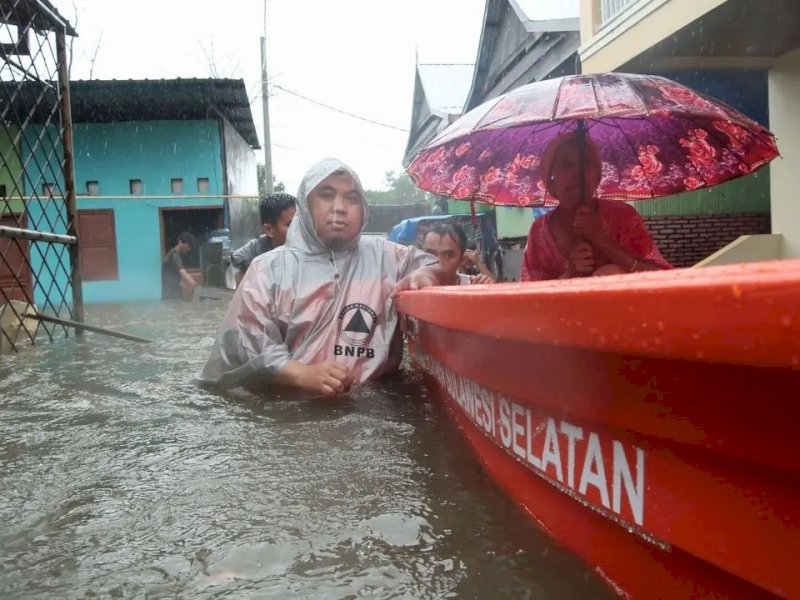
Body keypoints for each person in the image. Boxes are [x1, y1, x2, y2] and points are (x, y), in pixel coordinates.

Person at [198, 158, 454, 395]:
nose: (339, 208)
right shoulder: (268, 269)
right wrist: (300, 374)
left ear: (363, 209)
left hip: (376, 402)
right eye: (326, 195)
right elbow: (245, 342)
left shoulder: (389, 258)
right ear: (305, 204)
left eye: (351, 198)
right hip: (294, 411)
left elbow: (438, 269)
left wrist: (429, 272)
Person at [520, 131, 671, 281]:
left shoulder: (623, 216)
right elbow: (531, 292)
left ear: (597, 177)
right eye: (566, 164)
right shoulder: (539, 232)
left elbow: (661, 278)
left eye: (585, 163)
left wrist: (604, 241)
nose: (577, 172)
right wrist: (570, 273)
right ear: (551, 179)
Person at [230, 192, 297, 280]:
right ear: (269, 229)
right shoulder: (255, 249)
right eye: (290, 225)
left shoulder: (307, 246)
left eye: (299, 223)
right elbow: (236, 260)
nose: (298, 229)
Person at [422, 223, 494, 285]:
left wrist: (487, 286)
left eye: (448, 255)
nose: (437, 261)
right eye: (430, 254)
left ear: (461, 259)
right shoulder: (416, 285)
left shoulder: (473, 284)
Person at [161, 231, 197, 300]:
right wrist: (195, 286)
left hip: (169, 296)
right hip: (171, 297)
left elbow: (174, 280)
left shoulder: (172, 255)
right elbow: (183, 272)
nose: (189, 249)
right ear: (181, 243)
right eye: (188, 246)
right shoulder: (174, 255)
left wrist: (187, 289)